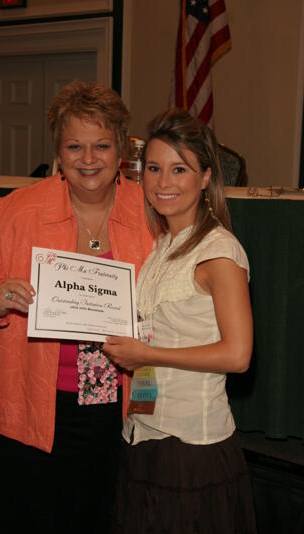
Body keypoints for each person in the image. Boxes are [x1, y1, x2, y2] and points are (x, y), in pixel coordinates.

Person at [0, 80, 153, 534]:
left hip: (115, 407)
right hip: (26, 405)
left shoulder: (150, 211)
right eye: (74, 146)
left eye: (101, 145)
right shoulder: (18, 210)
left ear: (121, 149)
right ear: (58, 152)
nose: (89, 159)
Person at [103, 107, 257, 533]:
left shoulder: (218, 251)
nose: (163, 182)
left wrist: (146, 352)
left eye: (178, 169)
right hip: (144, 432)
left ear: (205, 177)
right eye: (153, 168)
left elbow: (238, 354)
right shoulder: (162, 247)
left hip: (192, 448)